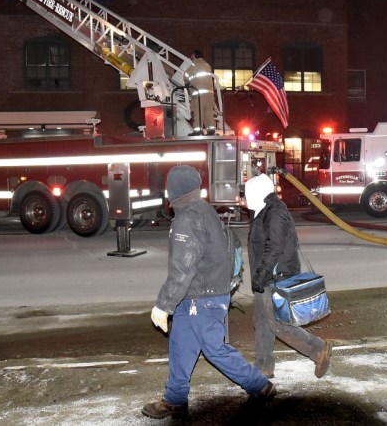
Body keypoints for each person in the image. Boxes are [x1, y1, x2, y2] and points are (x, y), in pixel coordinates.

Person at [142, 166, 275, 420]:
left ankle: (259, 385)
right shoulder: (203, 210)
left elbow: (183, 268)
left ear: (175, 190)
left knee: (215, 349)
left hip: (201, 298)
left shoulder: (187, 218)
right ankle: (175, 399)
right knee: (181, 346)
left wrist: (163, 305)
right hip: (199, 295)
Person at [244, 173, 333, 379]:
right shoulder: (264, 210)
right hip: (267, 276)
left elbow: (274, 247)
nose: (246, 196)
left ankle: (318, 349)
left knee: (279, 325)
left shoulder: (274, 212)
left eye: (248, 192)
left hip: (275, 277)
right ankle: (263, 365)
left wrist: (261, 275)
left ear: (259, 191)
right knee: (262, 321)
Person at [183, 50, 216, 136]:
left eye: (192, 55)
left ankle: (197, 131)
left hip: (199, 94)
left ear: (194, 55)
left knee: (197, 111)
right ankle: (211, 130)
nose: (191, 56)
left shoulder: (195, 64)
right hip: (209, 94)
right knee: (208, 112)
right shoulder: (207, 65)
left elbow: (186, 74)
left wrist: (187, 83)